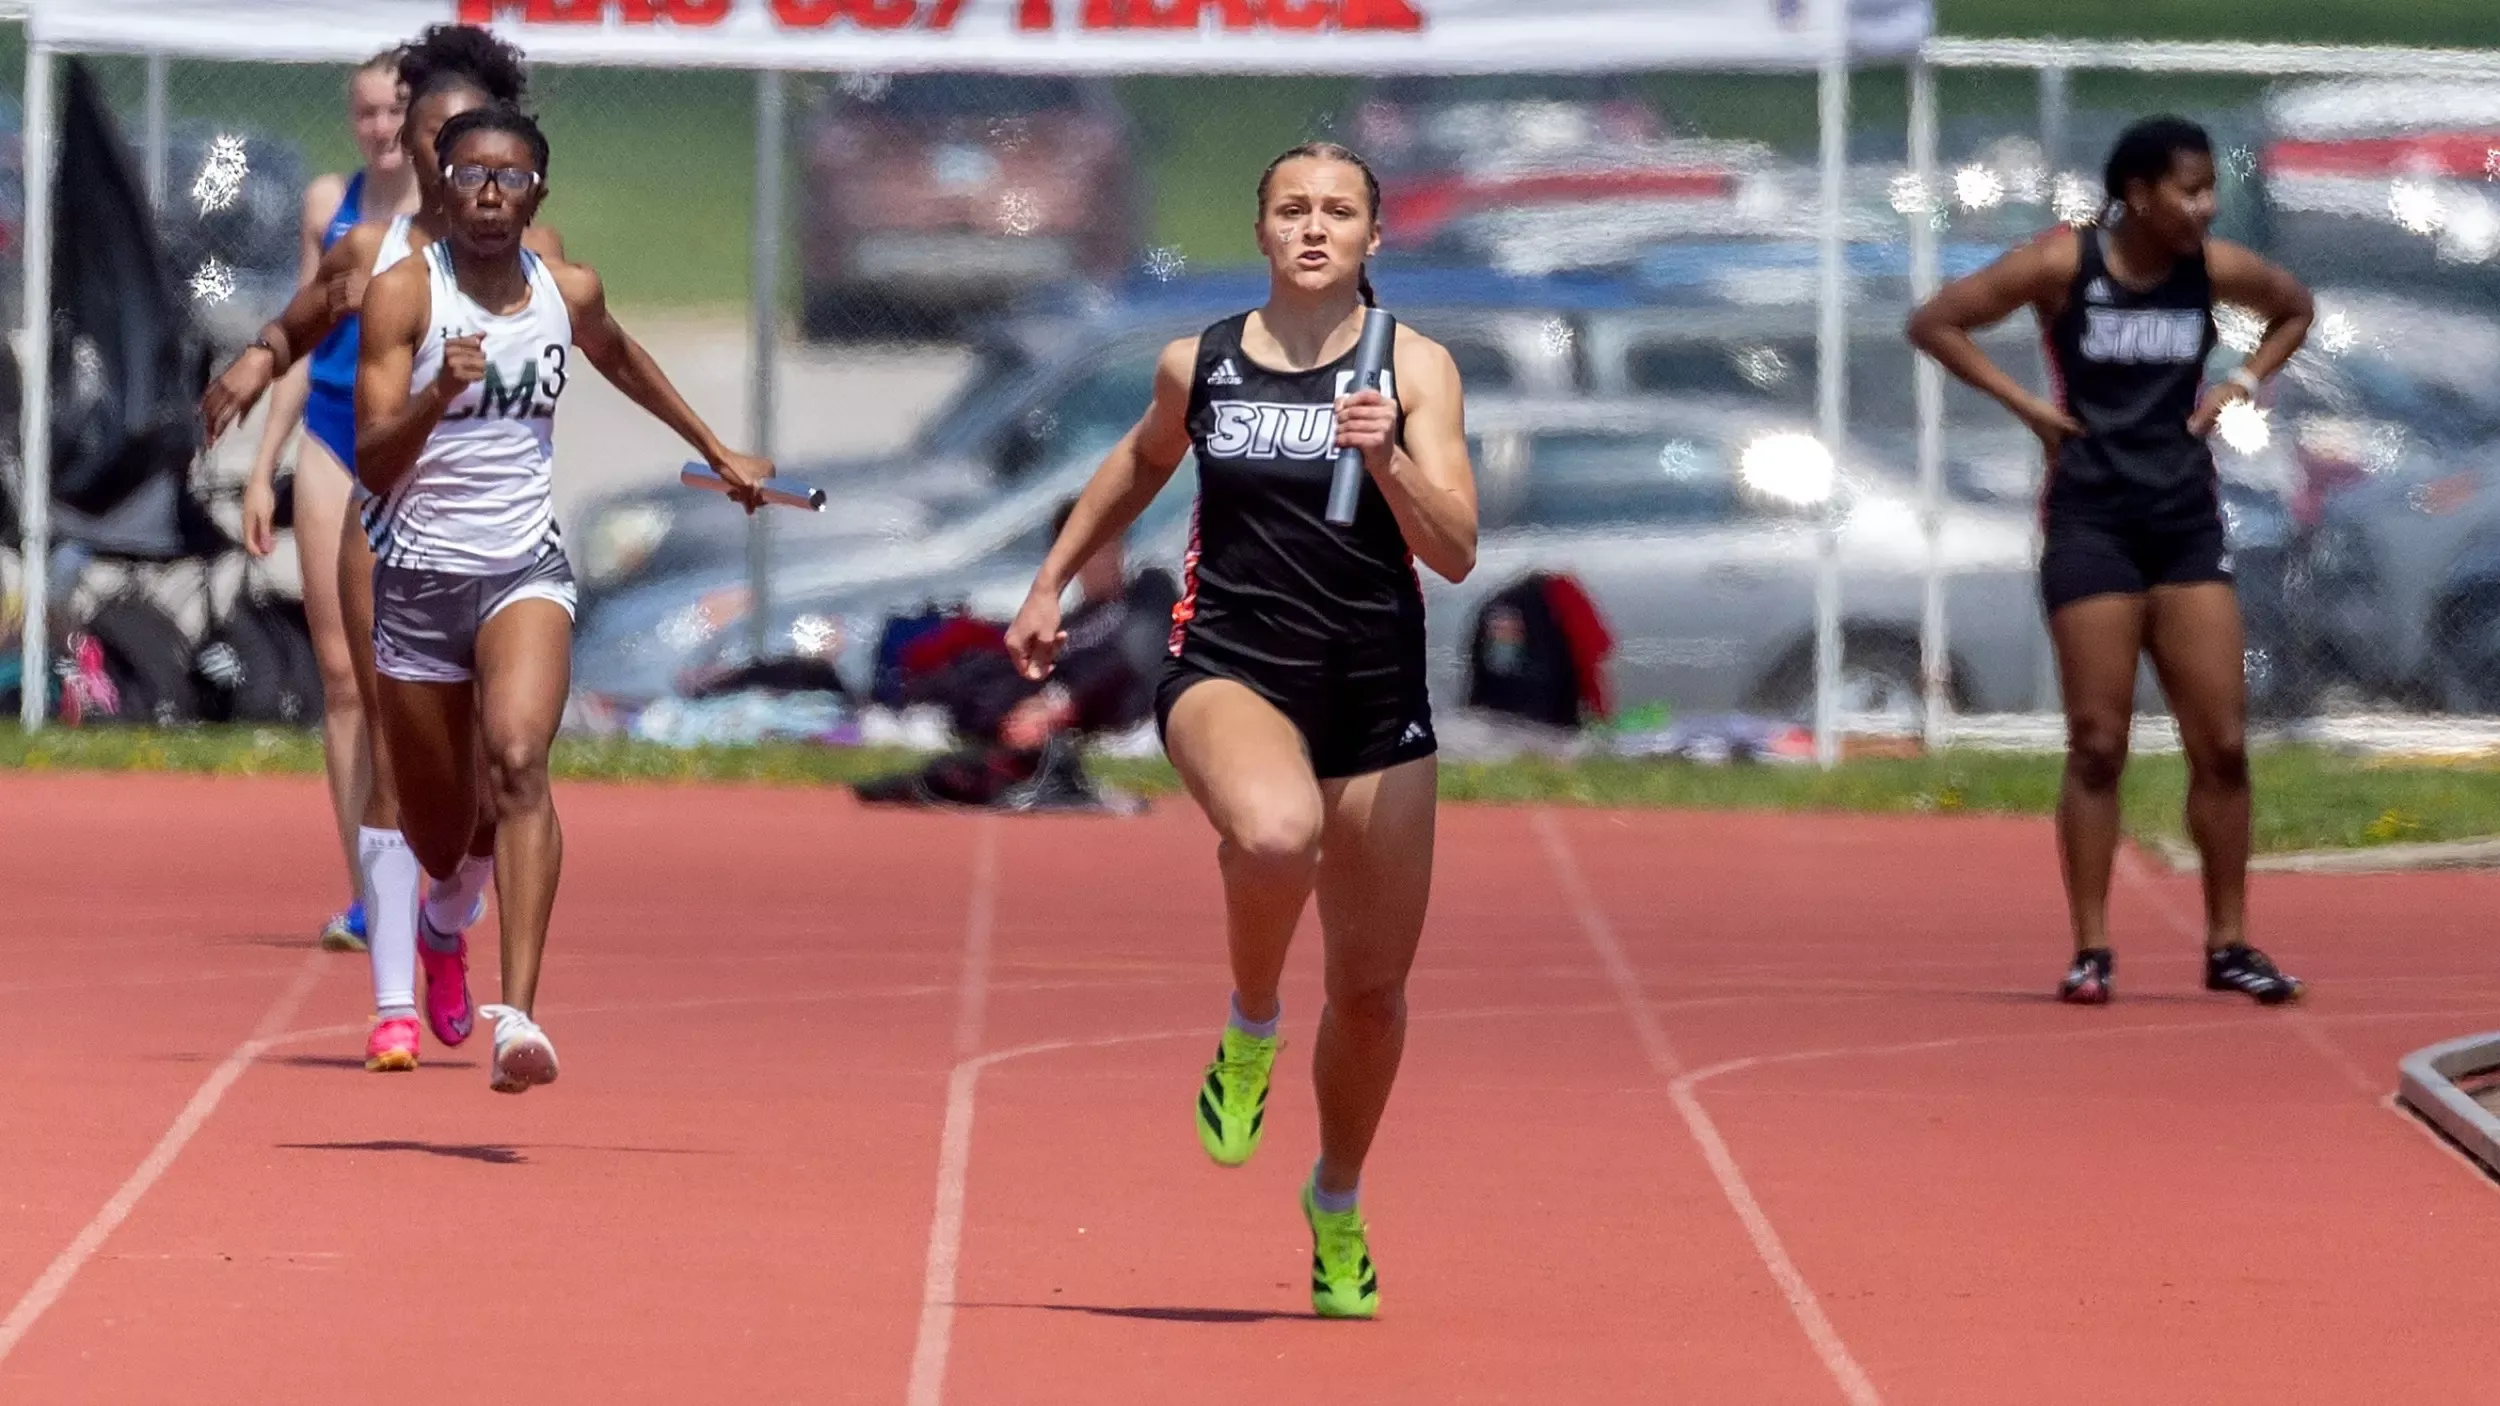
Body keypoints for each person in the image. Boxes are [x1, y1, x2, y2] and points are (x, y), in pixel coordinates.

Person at [1004, 142, 1476, 1319]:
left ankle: (1336, 1197)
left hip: (1375, 694)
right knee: (1273, 833)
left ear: (1373, 236)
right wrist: (1051, 580)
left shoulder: (1415, 372)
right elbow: (1136, 462)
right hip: (1231, 668)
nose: (1314, 228)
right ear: (1261, 230)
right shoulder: (1200, 362)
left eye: (1338, 211)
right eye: (1291, 209)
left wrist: (1389, 459)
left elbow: (1459, 548)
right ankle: (1250, 1022)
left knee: (1371, 997)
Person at [354, 102, 771, 1092]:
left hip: (521, 569)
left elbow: (618, 353)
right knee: (442, 831)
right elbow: (372, 461)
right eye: (469, 176)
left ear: (539, 190)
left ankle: (520, 1018)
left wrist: (716, 449)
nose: (490, 194)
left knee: (519, 758)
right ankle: (444, 918)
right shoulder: (404, 298)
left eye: (510, 177)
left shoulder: (563, 289)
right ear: (442, 189)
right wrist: (432, 397)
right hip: (418, 579)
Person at [201, 25, 584, 1074]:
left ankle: (449, 911)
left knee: (472, 775)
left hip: (485, 525)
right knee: (367, 694)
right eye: (426, 137)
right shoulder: (371, 246)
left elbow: (580, 335)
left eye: (461, 138)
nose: (437, 156)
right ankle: (392, 995)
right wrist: (249, 374)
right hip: (363, 471)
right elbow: (299, 320)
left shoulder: (532, 258)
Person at [1907, 115, 2315, 1007]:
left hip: (2183, 523)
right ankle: (2092, 948)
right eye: (2189, 190)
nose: (2205, 206)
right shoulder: (2064, 264)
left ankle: (2229, 941)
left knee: (2225, 745)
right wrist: (2030, 410)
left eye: (2210, 189)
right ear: (2136, 195)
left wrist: (2237, 385)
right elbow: (1937, 322)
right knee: (2098, 743)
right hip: (2093, 519)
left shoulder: (2211, 269)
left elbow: (2294, 307)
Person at [237, 48, 418, 955]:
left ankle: (427, 865)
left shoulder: (448, 208)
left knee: (406, 675)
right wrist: (262, 461)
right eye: (367, 114)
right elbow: (302, 337)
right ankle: (368, 892)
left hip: (410, 442)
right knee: (343, 678)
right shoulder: (328, 204)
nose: (381, 130)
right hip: (330, 437)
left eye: (394, 111)